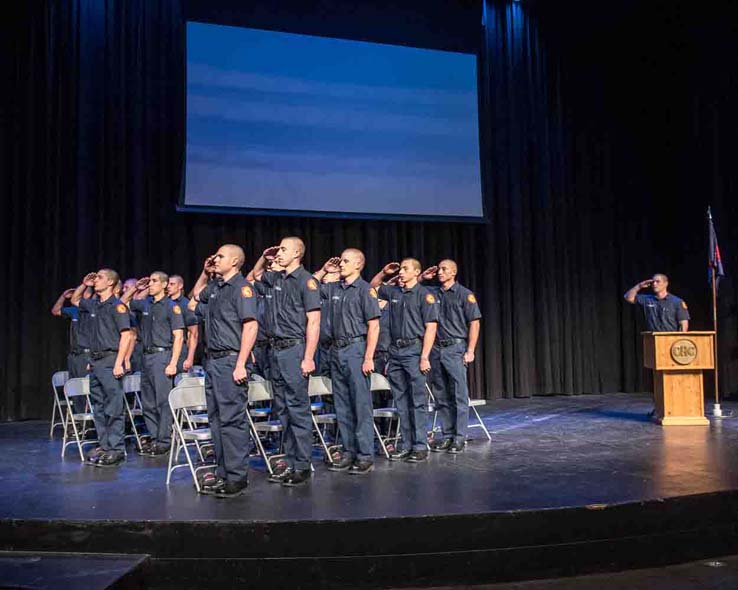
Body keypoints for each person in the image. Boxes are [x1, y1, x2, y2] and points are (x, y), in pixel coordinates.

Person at [252, 238, 321, 486]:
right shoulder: (276, 279)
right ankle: (290, 462)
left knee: (297, 410)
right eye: (278, 248)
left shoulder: (307, 281)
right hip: (274, 351)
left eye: (283, 249)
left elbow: (313, 322)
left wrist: (309, 357)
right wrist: (264, 255)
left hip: (294, 349)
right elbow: (256, 274)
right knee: (282, 409)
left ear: (297, 253)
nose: (278, 253)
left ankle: (302, 465)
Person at [190, 245, 258, 498]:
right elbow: (194, 301)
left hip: (230, 361)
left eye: (220, 256)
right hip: (213, 361)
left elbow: (251, 326)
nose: (215, 258)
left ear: (235, 261)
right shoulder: (217, 288)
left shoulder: (242, 288)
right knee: (217, 420)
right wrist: (205, 273)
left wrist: (241, 363)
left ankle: (237, 477)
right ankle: (223, 473)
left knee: (232, 420)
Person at [314, 250, 380, 474]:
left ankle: (364, 455)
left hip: (356, 349)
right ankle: (348, 451)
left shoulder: (364, 290)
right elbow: (309, 287)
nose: (341, 264)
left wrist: (369, 356)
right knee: (342, 406)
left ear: (359, 265)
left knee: (360, 405)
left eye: (345, 261)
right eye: (340, 260)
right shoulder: (334, 288)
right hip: (335, 350)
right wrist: (324, 271)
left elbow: (374, 325)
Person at [370, 259, 438, 462]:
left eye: (406, 269)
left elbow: (431, 328)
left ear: (417, 272)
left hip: (414, 351)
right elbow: (373, 287)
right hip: (395, 352)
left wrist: (425, 356)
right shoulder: (394, 293)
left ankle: (419, 446)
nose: (401, 272)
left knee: (417, 402)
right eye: (400, 269)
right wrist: (383, 272)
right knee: (401, 402)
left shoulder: (424, 295)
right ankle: (406, 445)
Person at [71, 270, 131, 467]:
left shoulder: (117, 306)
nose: (96, 280)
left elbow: (126, 336)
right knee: (98, 406)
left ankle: (116, 448)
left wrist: (119, 362)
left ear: (111, 282)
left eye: (99, 278)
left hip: (110, 359)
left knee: (114, 407)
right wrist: (84, 284)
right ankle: (105, 446)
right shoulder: (94, 304)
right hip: (95, 361)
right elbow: (74, 300)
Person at [122, 272, 185, 456]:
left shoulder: (171, 307)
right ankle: (155, 437)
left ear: (165, 284)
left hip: (162, 356)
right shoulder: (145, 303)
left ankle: (164, 440)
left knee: (162, 402)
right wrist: (136, 288)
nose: (151, 284)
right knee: (148, 402)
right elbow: (123, 303)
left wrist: (173, 363)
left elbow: (179, 336)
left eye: (154, 281)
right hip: (146, 357)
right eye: (150, 281)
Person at [426, 260, 482, 454]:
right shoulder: (432, 293)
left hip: (455, 348)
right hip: (436, 350)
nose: (440, 272)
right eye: (439, 269)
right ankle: (447, 435)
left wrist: (470, 350)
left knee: (458, 394)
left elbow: (474, 324)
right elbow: (411, 286)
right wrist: (423, 276)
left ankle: (459, 437)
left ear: (454, 272)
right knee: (441, 395)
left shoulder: (464, 294)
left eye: (444, 269)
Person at [51, 286, 93, 379]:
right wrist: (63, 296)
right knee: (74, 388)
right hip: (74, 355)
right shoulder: (75, 310)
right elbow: (55, 311)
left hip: (86, 355)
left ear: (87, 294)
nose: (76, 295)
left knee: (84, 387)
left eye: (79, 293)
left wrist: (91, 359)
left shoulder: (94, 310)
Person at [624, 274, 689, 332]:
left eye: (658, 281)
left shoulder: (677, 302)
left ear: (665, 284)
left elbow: (683, 323)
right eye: (653, 282)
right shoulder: (647, 299)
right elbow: (628, 297)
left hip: (670, 339)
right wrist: (639, 286)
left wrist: (680, 340)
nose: (654, 284)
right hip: (652, 339)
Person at [167, 275, 199, 373]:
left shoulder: (185, 305)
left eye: (172, 284)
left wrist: (190, 358)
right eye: (168, 284)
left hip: (180, 349)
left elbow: (193, 333)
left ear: (180, 286)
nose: (168, 286)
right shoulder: (164, 303)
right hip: (165, 350)